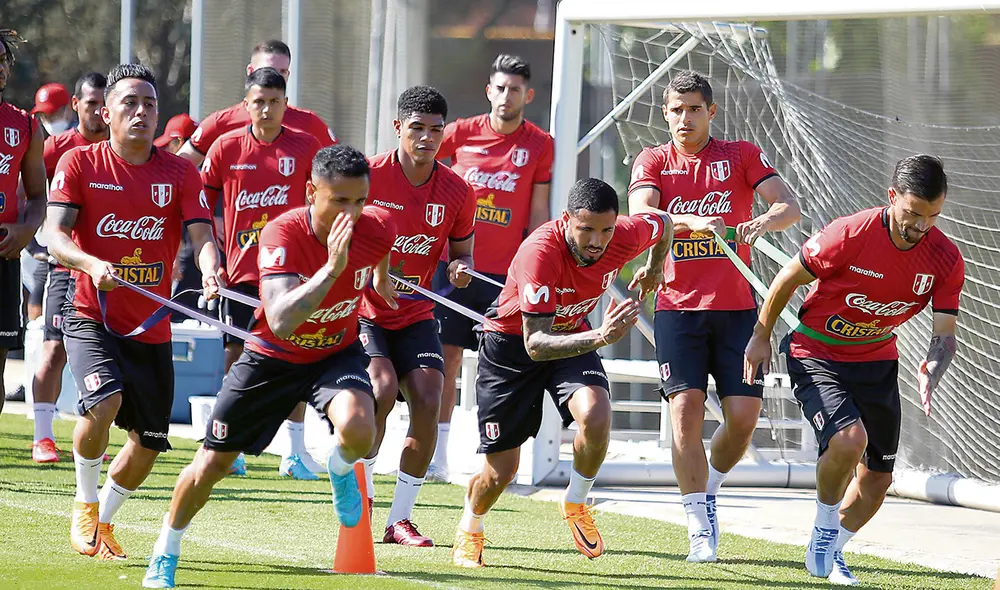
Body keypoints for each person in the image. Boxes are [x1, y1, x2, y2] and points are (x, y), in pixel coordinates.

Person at [141, 145, 398, 589]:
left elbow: (380, 248)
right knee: (211, 467)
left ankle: (338, 468)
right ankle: (166, 548)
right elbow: (280, 318)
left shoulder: (377, 227)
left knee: (361, 428)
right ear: (310, 192)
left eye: (360, 201)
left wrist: (379, 278)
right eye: (340, 201)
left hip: (334, 353)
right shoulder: (281, 234)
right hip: (270, 359)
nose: (352, 214)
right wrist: (333, 270)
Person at [452, 178, 722, 567]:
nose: (597, 241)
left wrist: (652, 268)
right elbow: (535, 344)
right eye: (587, 230)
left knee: (597, 416)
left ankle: (576, 502)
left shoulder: (626, 234)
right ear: (566, 221)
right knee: (502, 472)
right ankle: (471, 528)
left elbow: (662, 221)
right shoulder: (539, 254)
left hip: (574, 335)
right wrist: (601, 336)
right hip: (514, 347)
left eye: (606, 230)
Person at [744, 155, 964, 586]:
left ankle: (829, 549)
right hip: (816, 352)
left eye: (933, 217)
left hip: (878, 361)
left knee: (878, 481)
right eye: (912, 214)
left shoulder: (945, 258)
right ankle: (825, 529)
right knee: (848, 438)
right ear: (892, 197)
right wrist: (760, 335)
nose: (921, 227)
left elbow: (945, 334)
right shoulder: (850, 233)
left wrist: (933, 365)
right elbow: (787, 278)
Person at [44, 63, 220, 561]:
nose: (141, 112)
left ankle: (103, 521)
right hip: (89, 311)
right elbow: (55, 235)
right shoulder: (80, 163)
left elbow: (203, 236)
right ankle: (84, 501)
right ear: (106, 111)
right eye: (129, 103)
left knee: (149, 443)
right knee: (104, 403)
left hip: (151, 324)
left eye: (149, 104)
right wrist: (89, 260)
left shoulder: (181, 171)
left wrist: (210, 270)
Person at [627, 69, 800, 563]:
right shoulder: (653, 159)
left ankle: (710, 488)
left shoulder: (740, 155)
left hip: (739, 309)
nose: (685, 119)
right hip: (677, 309)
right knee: (683, 416)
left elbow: (789, 207)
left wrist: (754, 225)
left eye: (694, 110)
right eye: (676, 110)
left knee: (744, 418)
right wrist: (687, 221)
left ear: (711, 113)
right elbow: (643, 216)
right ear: (665, 113)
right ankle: (698, 525)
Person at [178, 40, 336, 471]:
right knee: (238, 355)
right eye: (259, 102)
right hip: (242, 270)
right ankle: (229, 448)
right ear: (246, 104)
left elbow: (325, 201)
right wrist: (213, 258)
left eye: (275, 101)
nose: (267, 109)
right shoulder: (226, 146)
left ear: (287, 102)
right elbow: (197, 204)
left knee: (296, 353)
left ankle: (293, 451)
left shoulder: (306, 146)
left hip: (293, 271)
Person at [359, 85, 477, 547]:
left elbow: (461, 254)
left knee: (429, 398)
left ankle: (399, 520)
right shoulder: (367, 175)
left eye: (435, 130)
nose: (427, 138)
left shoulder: (457, 190)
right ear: (398, 128)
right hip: (364, 312)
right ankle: (361, 499)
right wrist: (370, 274)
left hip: (416, 313)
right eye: (417, 129)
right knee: (381, 390)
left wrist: (461, 269)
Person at [428, 53, 553, 481]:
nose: (506, 96)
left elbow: (538, 213)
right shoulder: (458, 133)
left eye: (515, 89)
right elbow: (421, 167)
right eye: (499, 87)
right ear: (488, 91)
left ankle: (500, 457)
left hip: (504, 278)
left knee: (502, 368)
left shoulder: (540, 143)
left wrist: (537, 265)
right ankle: (437, 457)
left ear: (527, 95)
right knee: (444, 362)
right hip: (454, 268)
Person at [28, 71, 110, 464]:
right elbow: (22, 186)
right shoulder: (56, 147)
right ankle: (42, 436)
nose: (97, 111)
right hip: (65, 267)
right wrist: (32, 234)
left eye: (103, 103)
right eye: (90, 103)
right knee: (54, 347)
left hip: (114, 271)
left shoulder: (122, 150)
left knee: (110, 353)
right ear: (75, 105)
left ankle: (98, 437)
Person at [176, 39, 335, 169]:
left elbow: (344, 169)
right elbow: (178, 168)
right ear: (250, 71)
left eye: (283, 72)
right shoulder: (222, 122)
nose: (276, 78)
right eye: (269, 70)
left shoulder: (308, 123)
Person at [0, 28, 47, 416]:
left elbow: (37, 197)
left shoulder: (25, 126)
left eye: (4, 60)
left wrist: (26, 229)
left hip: (3, 257)